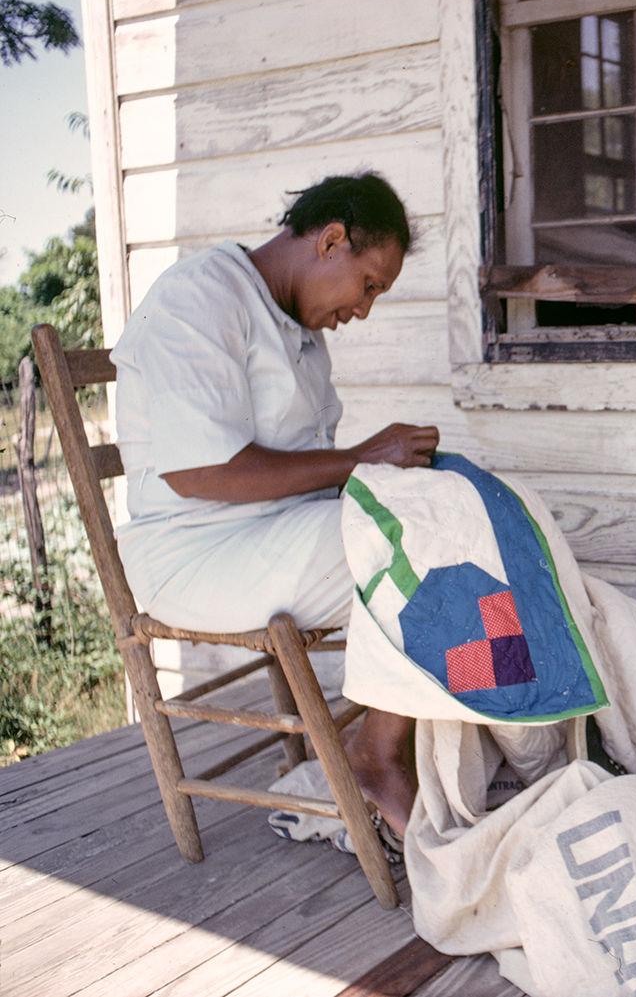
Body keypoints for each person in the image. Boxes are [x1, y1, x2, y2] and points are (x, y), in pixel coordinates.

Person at [111, 172, 438, 835]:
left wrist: (400, 474)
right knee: (421, 544)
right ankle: (377, 756)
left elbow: (312, 473)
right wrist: (360, 460)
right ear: (331, 241)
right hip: (197, 552)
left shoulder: (299, 330)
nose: (365, 308)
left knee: (440, 511)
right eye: (369, 284)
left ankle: (407, 746)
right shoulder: (201, 298)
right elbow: (199, 470)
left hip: (271, 535)